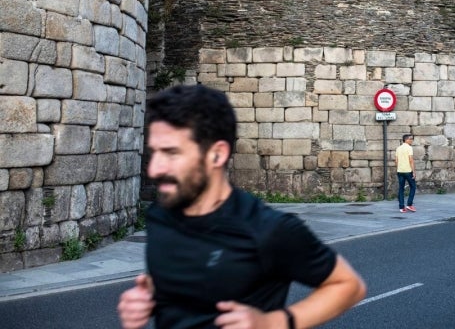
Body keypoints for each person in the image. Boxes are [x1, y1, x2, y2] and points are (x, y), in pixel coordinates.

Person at [117, 84, 366, 329]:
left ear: (217, 154)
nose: (154, 169)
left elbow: (348, 285)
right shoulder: (159, 215)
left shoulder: (268, 229)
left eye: (171, 153)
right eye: (155, 152)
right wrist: (146, 297)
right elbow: (189, 276)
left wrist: (272, 323)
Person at [394, 134, 416, 213]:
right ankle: (409, 204)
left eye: (412, 139)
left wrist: (398, 168)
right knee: (413, 187)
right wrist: (413, 171)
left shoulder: (398, 148)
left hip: (400, 171)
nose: (412, 140)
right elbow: (411, 160)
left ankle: (401, 207)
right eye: (410, 139)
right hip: (408, 171)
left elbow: (396, 160)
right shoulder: (409, 148)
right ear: (406, 140)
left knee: (401, 188)